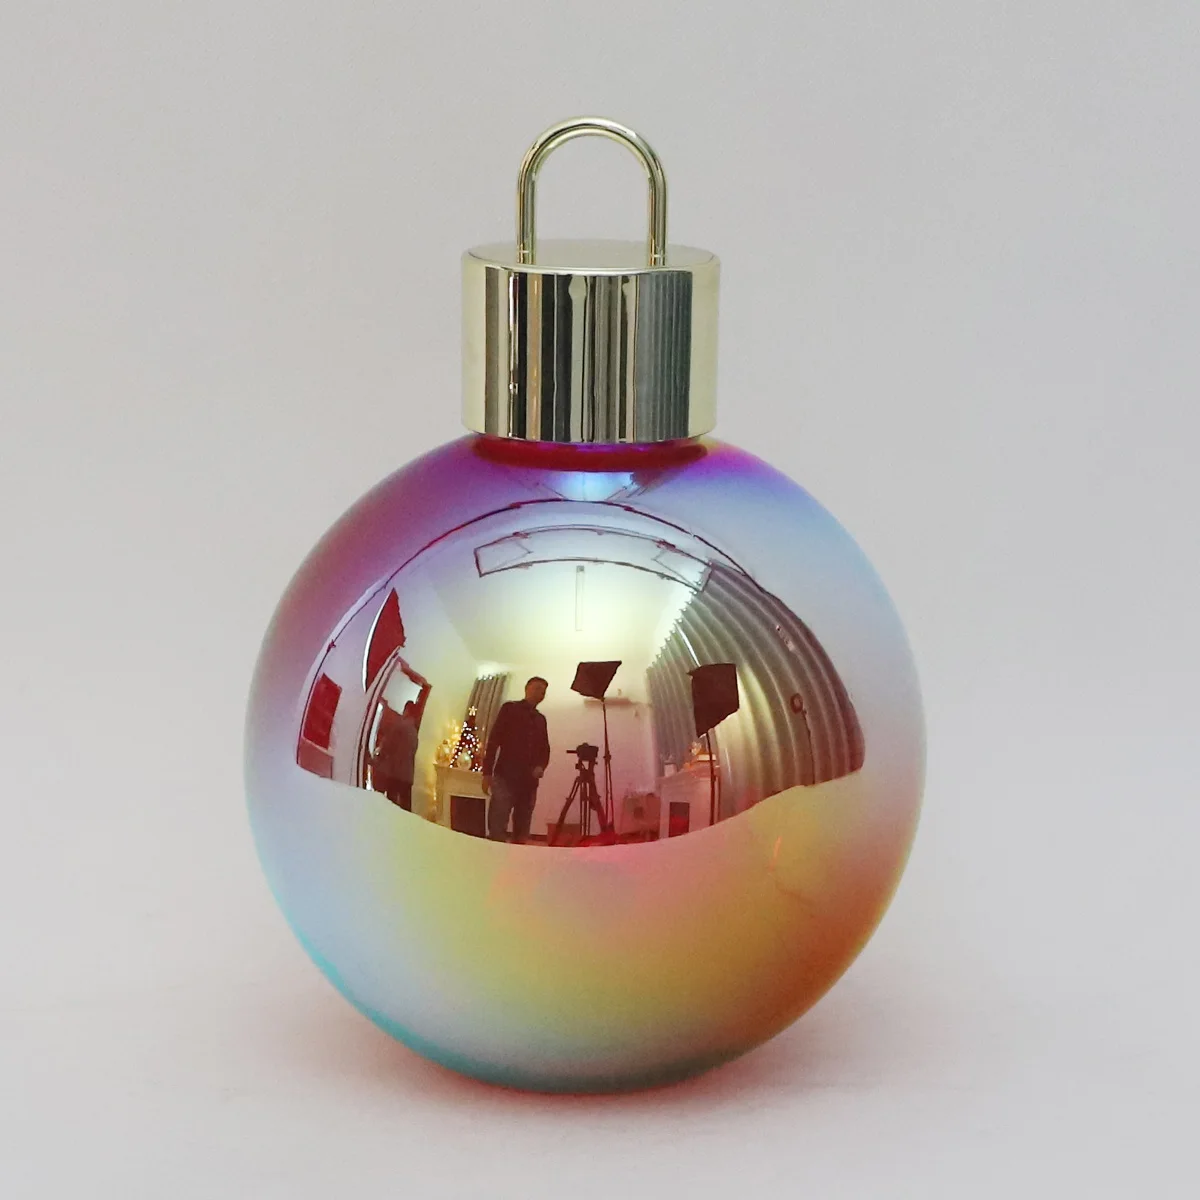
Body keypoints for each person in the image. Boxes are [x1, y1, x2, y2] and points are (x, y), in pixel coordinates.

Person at [482, 677, 550, 843]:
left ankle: (516, 857)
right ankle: (494, 855)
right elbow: (494, 740)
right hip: (505, 777)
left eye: (543, 691)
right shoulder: (509, 709)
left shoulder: (541, 720)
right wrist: (487, 773)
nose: (540, 693)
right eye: (537, 688)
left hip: (529, 783)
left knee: (522, 829)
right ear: (527, 688)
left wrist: (541, 766)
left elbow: (545, 749)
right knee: (497, 825)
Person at [372, 700, 420, 810]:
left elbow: (387, 746)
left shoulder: (399, 727)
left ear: (407, 711)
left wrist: (377, 758)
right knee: (405, 807)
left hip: (395, 773)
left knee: (391, 806)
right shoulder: (414, 732)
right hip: (408, 776)